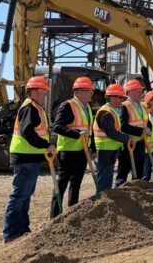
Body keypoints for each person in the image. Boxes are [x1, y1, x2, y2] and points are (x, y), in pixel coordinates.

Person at [2, 76, 57, 243]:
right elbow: (27, 132)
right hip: (24, 158)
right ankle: (11, 234)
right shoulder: (30, 108)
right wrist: (46, 145)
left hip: (30, 158)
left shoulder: (36, 108)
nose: (45, 94)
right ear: (33, 91)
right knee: (19, 196)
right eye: (43, 91)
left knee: (25, 196)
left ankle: (22, 230)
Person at [50, 76, 94, 218]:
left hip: (83, 151)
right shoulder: (67, 105)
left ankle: (72, 214)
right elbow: (57, 127)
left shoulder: (87, 108)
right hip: (68, 152)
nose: (92, 94)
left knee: (76, 185)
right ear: (79, 91)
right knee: (61, 185)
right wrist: (77, 134)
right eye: (89, 91)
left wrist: (92, 147)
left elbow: (90, 130)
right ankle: (55, 216)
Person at [93, 84, 132, 192]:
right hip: (104, 152)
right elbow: (111, 133)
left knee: (106, 183)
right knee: (103, 185)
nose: (122, 100)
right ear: (112, 97)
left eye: (123, 98)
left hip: (108, 152)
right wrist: (127, 138)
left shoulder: (112, 110)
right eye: (120, 97)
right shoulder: (106, 112)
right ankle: (99, 205)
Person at [115, 79, 151, 186]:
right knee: (124, 171)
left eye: (140, 90)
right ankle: (120, 193)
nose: (140, 92)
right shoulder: (124, 106)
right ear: (129, 92)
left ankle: (137, 193)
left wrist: (149, 128)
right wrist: (142, 130)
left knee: (139, 171)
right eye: (136, 90)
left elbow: (147, 122)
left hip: (140, 143)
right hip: (128, 143)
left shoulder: (143, 106)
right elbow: (123, 126)